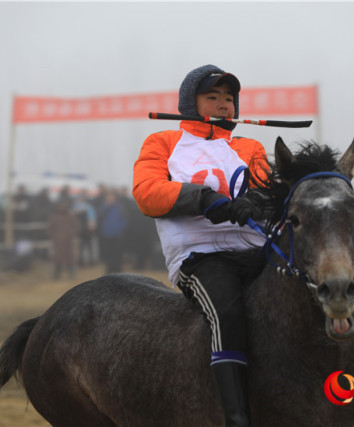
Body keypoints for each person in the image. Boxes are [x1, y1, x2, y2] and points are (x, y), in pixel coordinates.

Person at [133, 64, 271, 426]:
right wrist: (204, 199)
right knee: (227, 309)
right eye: (213, 97)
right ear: (190, 104)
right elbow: (147, 194)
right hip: (201, 256)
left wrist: (256, 202)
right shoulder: (161, 143)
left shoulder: (250, 146)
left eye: (229, 98)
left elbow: (267, 190)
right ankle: (237, 416)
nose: (224, 104)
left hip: (258, 250)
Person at [47, 201, 81, 280]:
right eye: (60, 206)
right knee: (57, 259)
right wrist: (55, 236)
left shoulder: (71, 216)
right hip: (58, 242)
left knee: (70, 259)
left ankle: (71, 274)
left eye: (64, 206)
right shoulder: (54, 216)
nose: (62, 208)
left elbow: (77, 226)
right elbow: (49, 229)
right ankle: (56, 275)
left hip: (68, 242)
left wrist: (71, 234)